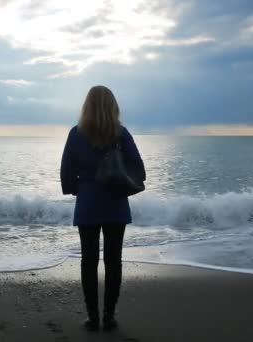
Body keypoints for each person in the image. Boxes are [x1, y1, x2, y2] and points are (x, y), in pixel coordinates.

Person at [60, 85, 146, 331]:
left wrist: (79, 188)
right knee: (113, 261)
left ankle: (92, 317)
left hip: (87, 203)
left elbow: (66, 174)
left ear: (86, 106)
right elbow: (139, 170)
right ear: (113, 106)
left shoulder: (76, 134)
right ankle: (109, 316)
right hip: (116, 202)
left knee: (88, 261)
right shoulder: (121, 133)